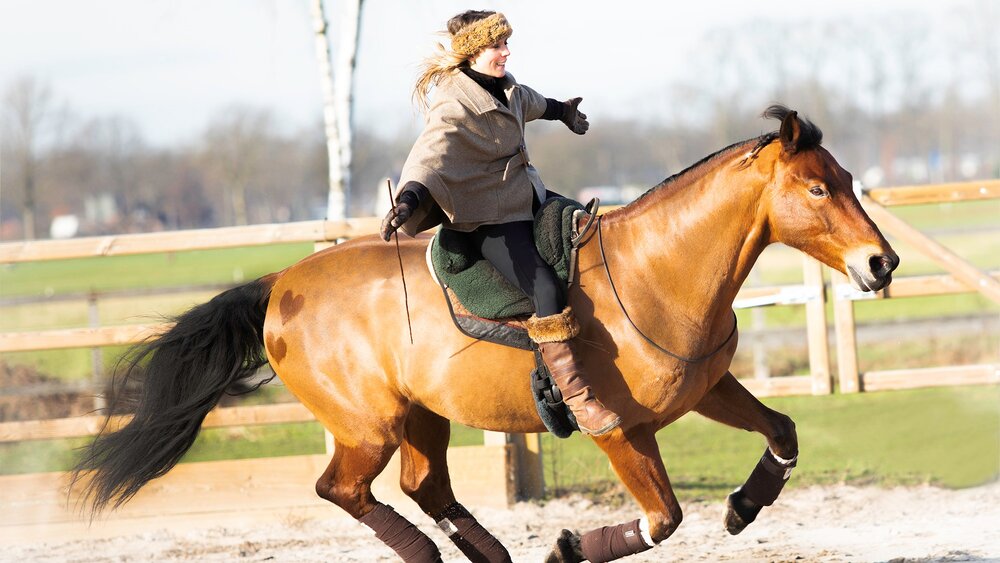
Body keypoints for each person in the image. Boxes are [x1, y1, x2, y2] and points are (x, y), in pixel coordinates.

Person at [380, 10, 620, 436]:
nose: (506, 52)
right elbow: (431, 153)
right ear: (472, 53)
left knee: (588, 234)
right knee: (544, 285)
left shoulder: (506, 88)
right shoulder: (454, 102)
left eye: (506, 44)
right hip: (487, 218)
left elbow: (533, 102)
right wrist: (409, 198)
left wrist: (564, 112)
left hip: (530, 200)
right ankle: (577, 401)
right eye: (497, 46)